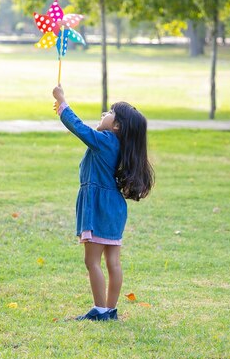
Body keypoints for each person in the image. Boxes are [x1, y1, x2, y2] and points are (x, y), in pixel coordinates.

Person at [52, 85, 154, 321]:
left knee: (92, 261)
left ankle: (100, 310)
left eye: (109, 112)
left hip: (99, 206)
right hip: (114, 208)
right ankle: (110, 309)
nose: (103, 114)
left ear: (116, 126)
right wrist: (62, 108)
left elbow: (79, 129)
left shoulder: (106, 141)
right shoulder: (118, 144)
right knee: (113, 262)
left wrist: (62, 102)